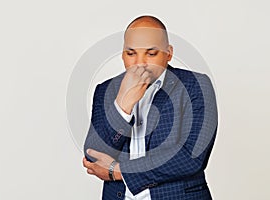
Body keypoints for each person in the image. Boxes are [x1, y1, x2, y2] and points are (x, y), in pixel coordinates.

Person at [83, 15, 218, 200]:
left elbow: (191, 157)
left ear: (168, 53)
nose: (140, 62)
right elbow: (93, 155)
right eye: (131, 53)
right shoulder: (105, 90)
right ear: (123, 54)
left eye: (151, 53)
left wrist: (119, 171)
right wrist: (123, 106)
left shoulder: (196, 85)